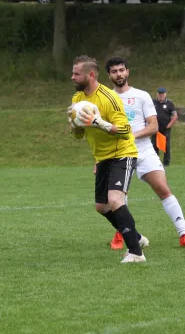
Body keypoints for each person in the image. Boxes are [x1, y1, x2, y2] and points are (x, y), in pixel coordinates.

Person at [104, 57, 185, 249]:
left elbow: (154, 127)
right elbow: (104, 131)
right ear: (109, 75)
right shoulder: (107, 98)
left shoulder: (142, 96)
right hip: (119, 153)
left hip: (144, 151)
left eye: (121, 70)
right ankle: (121, 234)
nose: (119, 74)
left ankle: (184, 235)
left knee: (163, 190)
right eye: (114, 71)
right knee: (117, 197)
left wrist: (131, 135)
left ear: (128, 72)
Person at [68, 55, 148, 263]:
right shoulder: (77, 99)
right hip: (102, 157)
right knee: (101, 207)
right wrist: (74, 124)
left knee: (115, 200)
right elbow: (77, 135)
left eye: (76, 74)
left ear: (90, 75)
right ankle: (136, 237)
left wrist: (98, 122)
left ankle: (136, 253)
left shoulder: (108, 98)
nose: (72, 77)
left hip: (122, 152)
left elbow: (125, 130)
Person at [152, 87, 178, 166]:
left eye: (162, 94)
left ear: (165, 94)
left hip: (165, 128)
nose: (161, 95)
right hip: (155, 127)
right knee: (154, 144)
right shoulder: (153, 102)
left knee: (166, 145)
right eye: (159, 94)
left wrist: (169, 126)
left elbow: (175, 116)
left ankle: (166, 162)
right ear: (157, 94)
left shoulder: (169, 103)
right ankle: (155, 162)